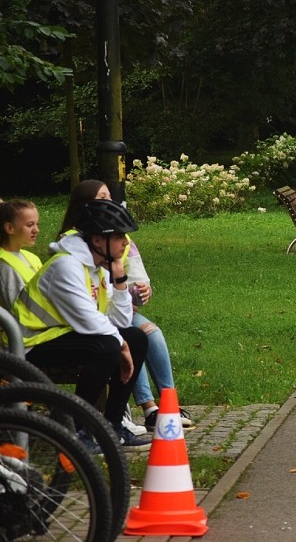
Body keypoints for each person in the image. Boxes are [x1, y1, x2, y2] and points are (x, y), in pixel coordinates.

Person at [13, 199, 151, 450]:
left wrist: (119, 278)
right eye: (118, 235)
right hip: (28, 343)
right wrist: (121, 346)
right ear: (97, 241)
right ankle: (76, 430)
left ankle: (112, 427)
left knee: (137, 337)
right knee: (107, 345)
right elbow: (88, 320)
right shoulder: (67, 265)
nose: (125, 242)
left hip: (60, 335)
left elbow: (120, 321)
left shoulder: (97, 266)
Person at [58, 180, 194, 434]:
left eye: (110, 196)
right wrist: (120, 341)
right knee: (122, 341)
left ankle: (135, 416)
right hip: (56, 335)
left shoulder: (109, 251)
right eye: (102, 198)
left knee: (142, 335)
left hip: (109, 317)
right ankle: (107, 421)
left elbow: (123, 306)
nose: (123, 243)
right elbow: (87, 313)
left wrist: (131, 285)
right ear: (97, 239)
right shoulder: (72, 258)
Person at [0, 199, 42, 314]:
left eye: (37, 224)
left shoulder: (32, 257)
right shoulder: (4, 264)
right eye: (29, 225)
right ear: (9, 228)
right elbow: (20, 311)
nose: (36, 230)